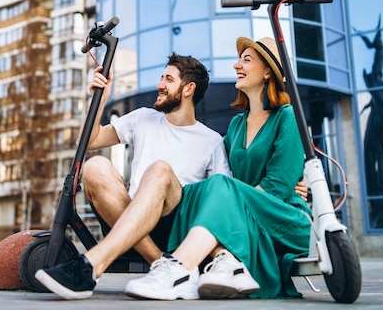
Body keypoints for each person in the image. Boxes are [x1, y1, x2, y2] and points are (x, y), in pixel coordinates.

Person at [124, 36, 312, 300]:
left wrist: (236, 203)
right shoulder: (236, 125)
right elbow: (224, 177)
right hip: (243, 216)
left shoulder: (287, 116)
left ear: (268, 71)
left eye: (246, 60)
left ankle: (178, 269)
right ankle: (221, 266)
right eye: (239, 59)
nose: (237, 65)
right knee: (200, 189)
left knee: (219, 187)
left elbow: (279, 186)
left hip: (283, 219)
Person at [35, 53, 232, 299]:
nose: (160, 84)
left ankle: (92, 266)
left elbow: (219, 199)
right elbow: (87, 141)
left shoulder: (212, 141)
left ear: (188, 89)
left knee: (160, 170)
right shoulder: (142, 118)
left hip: (172, 228)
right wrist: (99, 100)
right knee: (95, 166)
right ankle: (165, 265)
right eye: (162, 77)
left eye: (168, 79)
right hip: (125, 216)